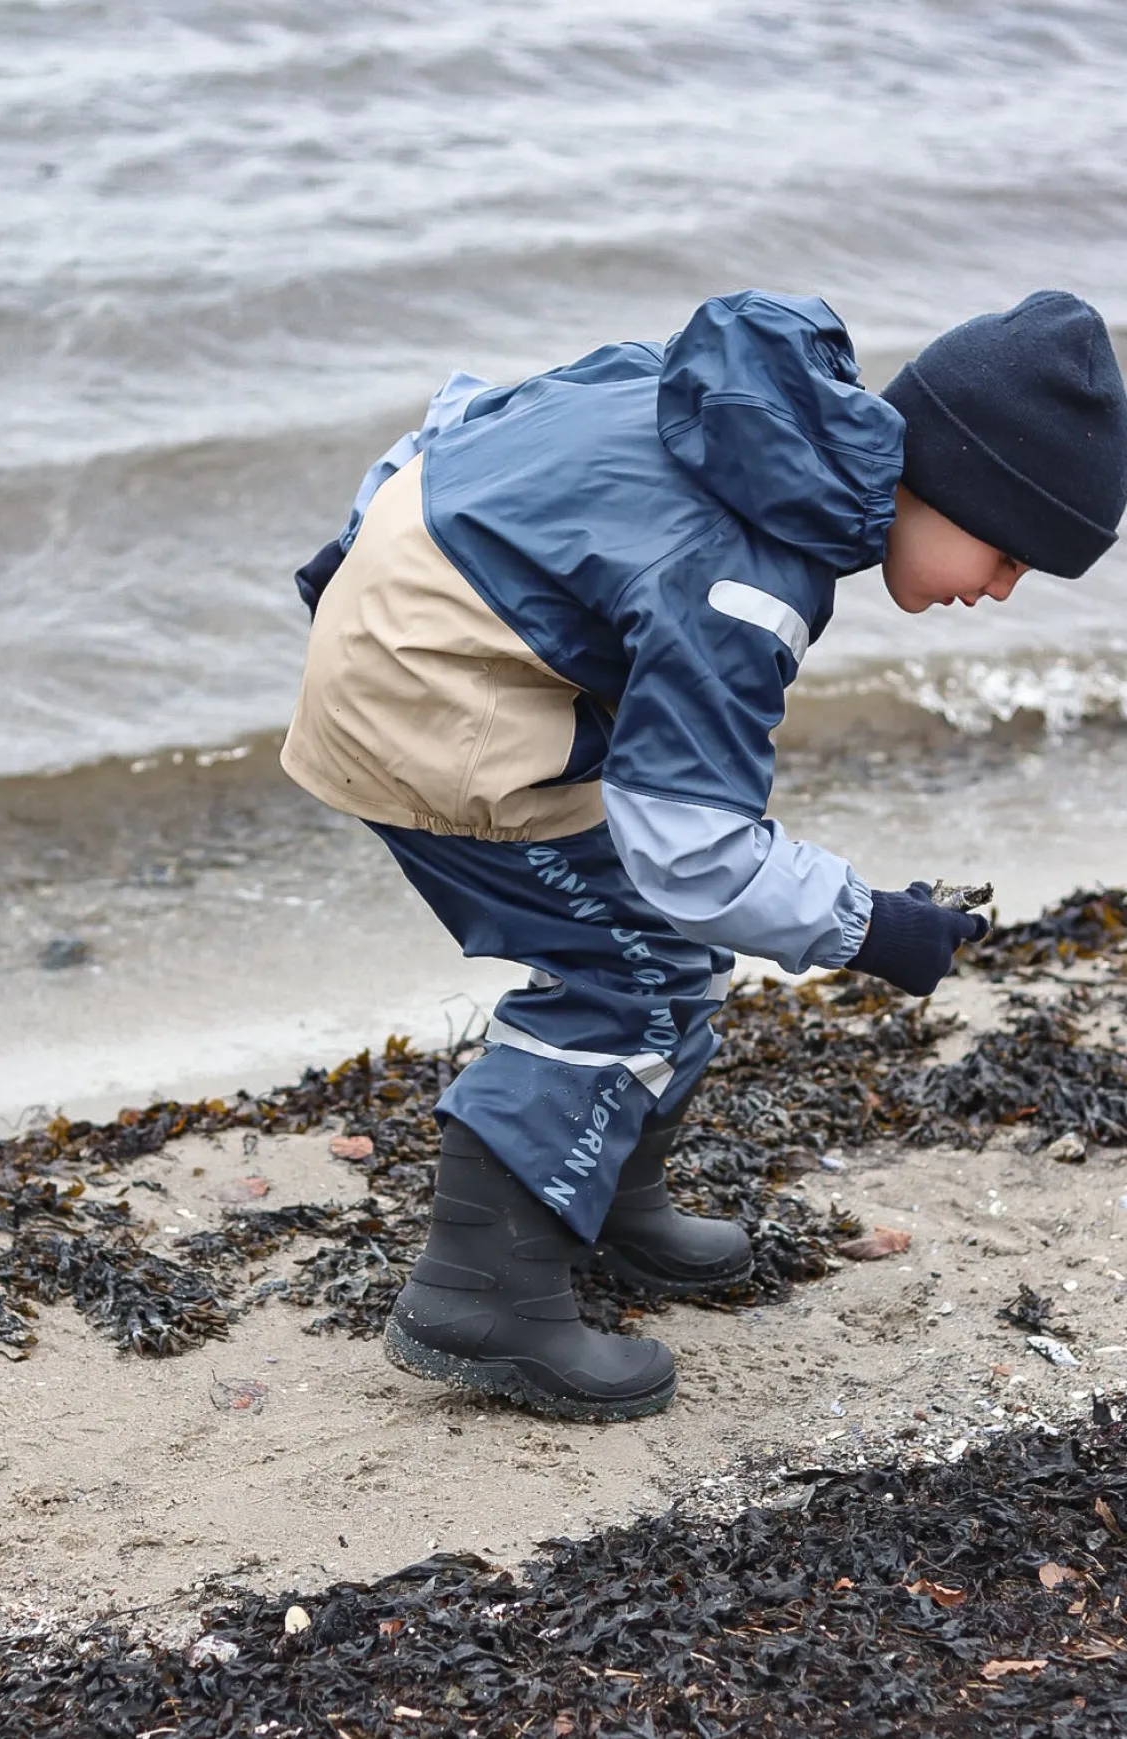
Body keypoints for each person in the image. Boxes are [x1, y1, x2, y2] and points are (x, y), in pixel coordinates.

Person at [281, 289, 1127, 1422]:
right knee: (622, 978)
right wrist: (874, 925)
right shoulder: (747, 574)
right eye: (1009, 551)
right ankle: (476, 1293)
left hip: (424, 638)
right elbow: (693, 853)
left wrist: (365, 568)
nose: (1000, 588)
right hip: (423, 698)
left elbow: (471, 420)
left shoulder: (742, 407)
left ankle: (606, 1196)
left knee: (666, 949)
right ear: (960, 481)